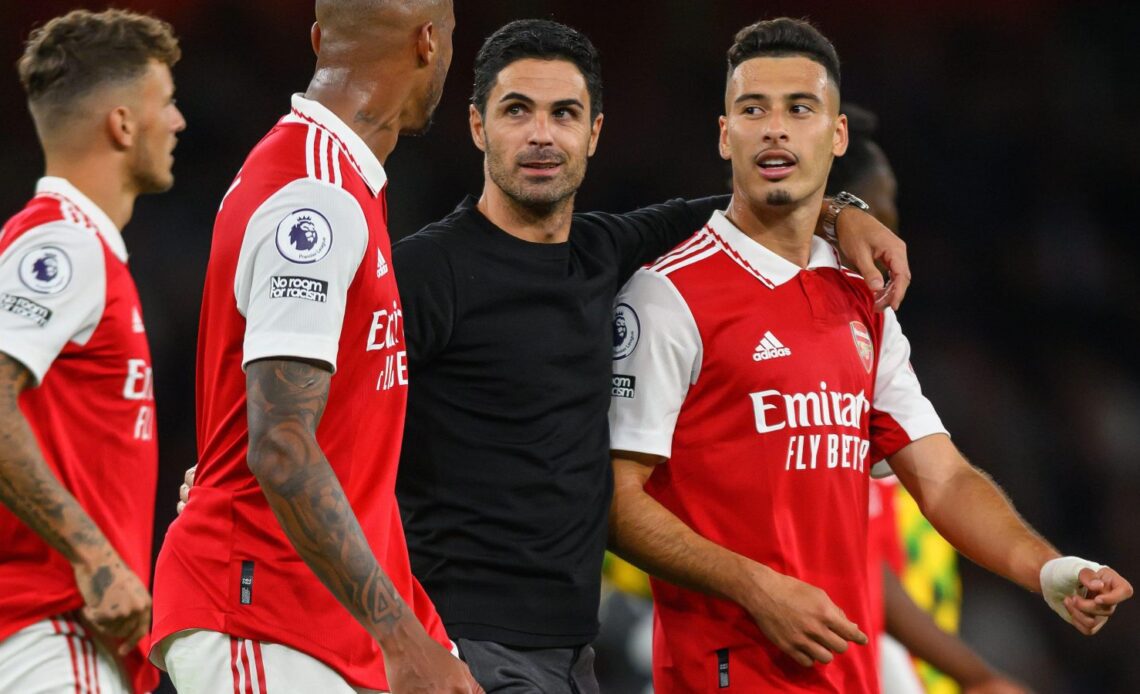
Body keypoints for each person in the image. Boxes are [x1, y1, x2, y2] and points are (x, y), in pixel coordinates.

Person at [606, 17, 1132, 693]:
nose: (775, 128)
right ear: (724, 133)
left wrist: (1047, 568)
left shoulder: (859, 300)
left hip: (849, 676)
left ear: (837, 134)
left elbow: (943, 479)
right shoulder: (666, 295)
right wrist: (756, 588)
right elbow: (617, 502)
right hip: (729, 671)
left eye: (800, 109)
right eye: (752, 109)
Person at [391, 18, 909, 692]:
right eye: (517, 111)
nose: (542, 135)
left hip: (572, 652)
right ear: (478, 127)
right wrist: (402, 637)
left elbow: (750, 206)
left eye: (564, 113)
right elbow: (335, 431)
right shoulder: (428, 272)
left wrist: (844, 213)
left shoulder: (605, 251)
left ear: (595, 133)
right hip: (462, 645)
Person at [149, 1, 480, 693]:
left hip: (317, 625)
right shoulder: (317, 197)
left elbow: (343, 451)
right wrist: (402, 638)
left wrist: (420, 635)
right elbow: (279, 446)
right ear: (429, 42)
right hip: (257, 614)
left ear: (317, 39)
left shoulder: (334, 180)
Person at [0, 9, 184, 693]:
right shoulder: (64, 244)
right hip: (48, 632)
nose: (179, 123)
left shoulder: (82, 248)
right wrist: (94, 555)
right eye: (166, 103)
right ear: (123, 123)